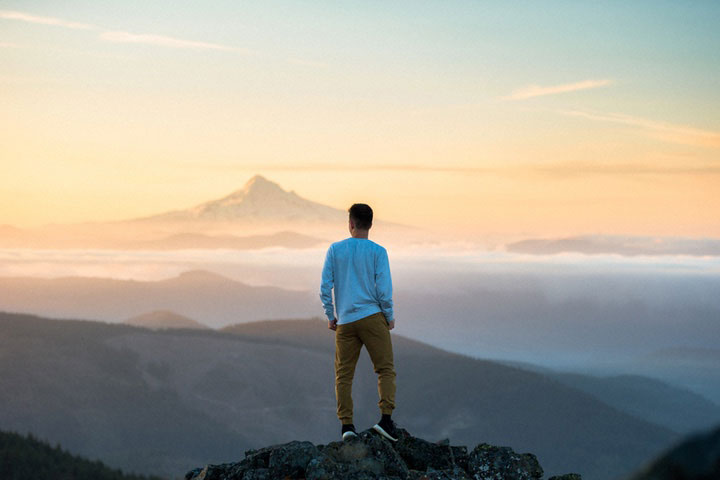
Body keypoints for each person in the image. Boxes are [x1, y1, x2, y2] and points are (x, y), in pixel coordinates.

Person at [319, 203, 399, 442]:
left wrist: (331, 315)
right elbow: (384, 290)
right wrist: (389, 316)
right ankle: (385, 420)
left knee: (343, 375)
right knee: (385, 369)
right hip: (372, 317)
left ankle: (347, 427)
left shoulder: (335, 250)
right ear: (371, 224)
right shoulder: (378, 251)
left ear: (351, 223)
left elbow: (325, 287)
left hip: (345, 321)